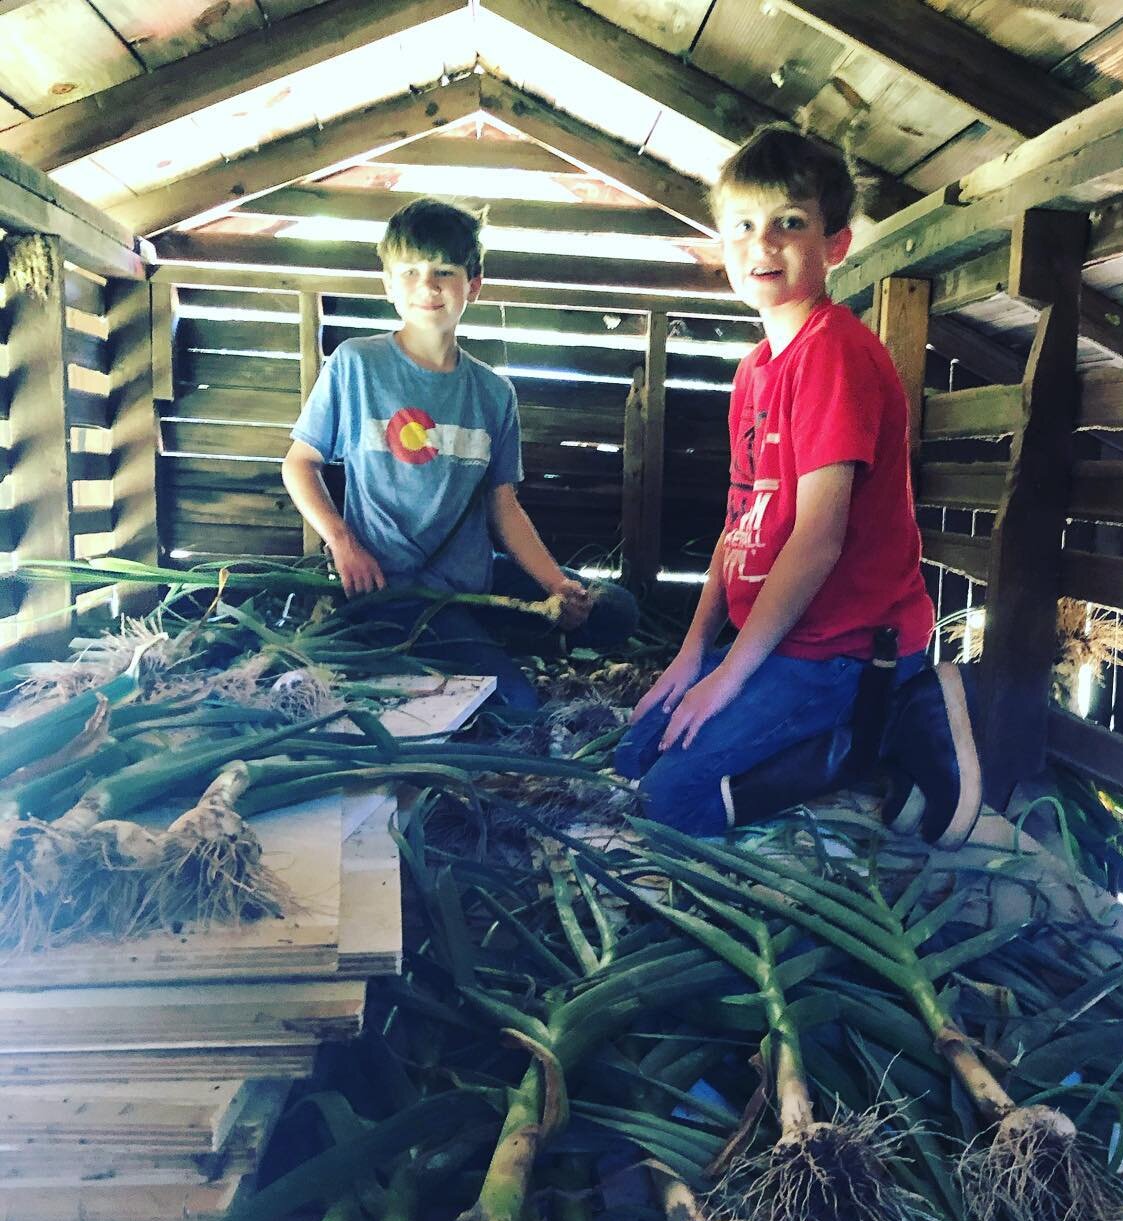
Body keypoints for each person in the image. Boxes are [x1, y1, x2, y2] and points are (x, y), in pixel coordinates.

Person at [614, 124, 982, 842]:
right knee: (634, 753)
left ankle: (877, 732)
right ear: (722, 249)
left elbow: (818, 539)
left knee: (669, 801)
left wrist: (729, 677)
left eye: (790, 223)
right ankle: (856, 725)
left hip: (842, 646)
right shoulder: (755, 371)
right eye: (743, 226)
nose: (763, 244)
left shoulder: (834, 354)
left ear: (834, 244)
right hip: (784, 641)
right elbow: (740, 524)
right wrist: (694, 655)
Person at [281, 197, 636, 707]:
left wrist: (557, 584)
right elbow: (300, 464)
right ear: (387, 284)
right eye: (410, 271)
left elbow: (503, 505)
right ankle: (461, 645)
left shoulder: (493, 392)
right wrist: (342, 541)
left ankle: (478, 638)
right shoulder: (356, 365)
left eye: (445, 271)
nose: (427, 286)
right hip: (395, 589)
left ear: (473, 284)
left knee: (613, 608)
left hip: (474, 578)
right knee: (515, 707)